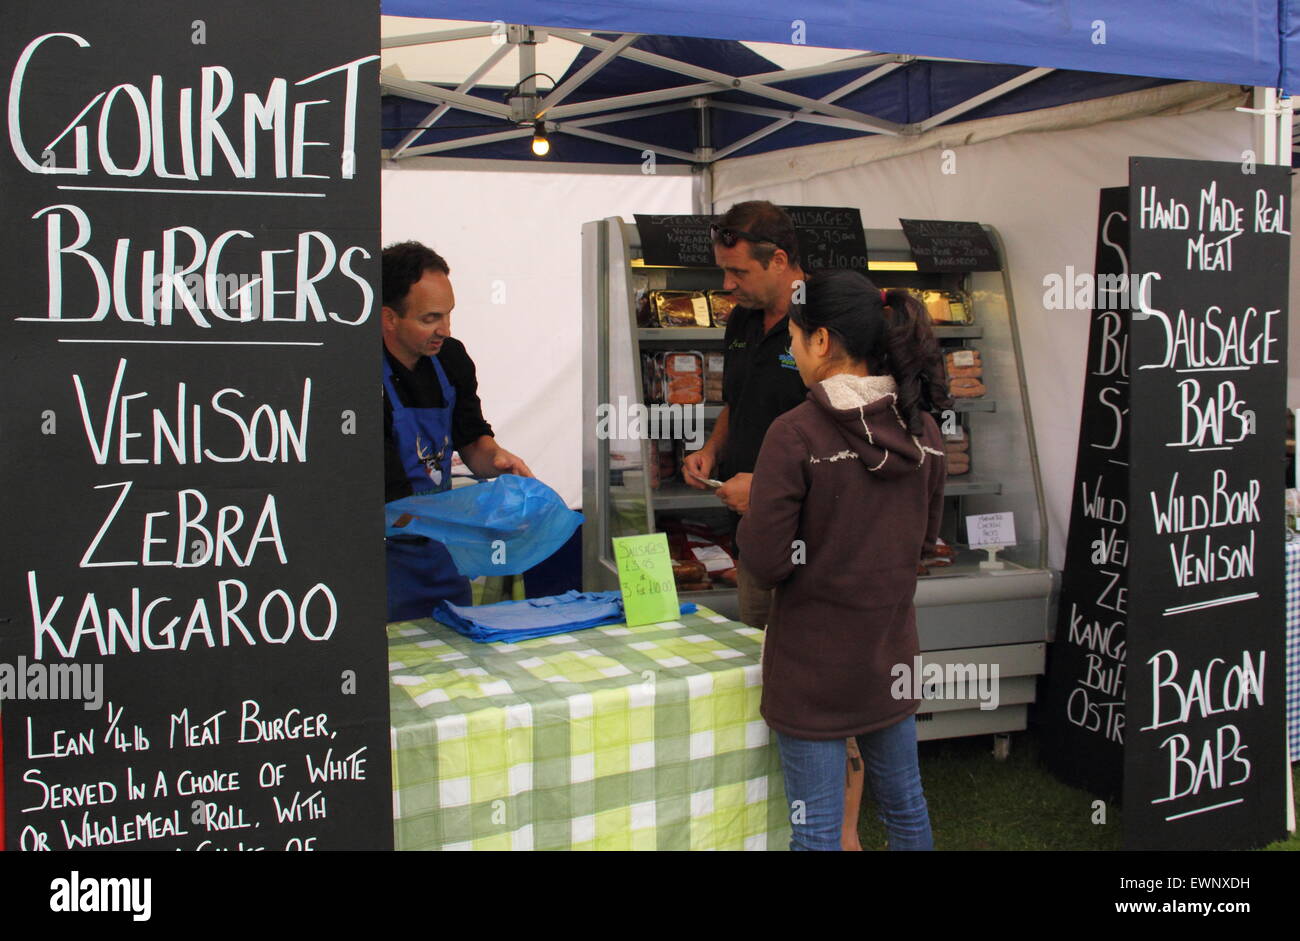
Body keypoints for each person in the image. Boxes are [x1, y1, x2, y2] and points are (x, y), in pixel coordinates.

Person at [736, 269, 950, 851]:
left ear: (823, 341)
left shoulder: (795, 433)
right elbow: (924, 544)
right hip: (889, 658)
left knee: (816, 832)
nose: (791, 349)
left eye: (796, 337)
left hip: (812, 671)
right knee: (907, 807)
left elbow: (766, 561)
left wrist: (753, 505)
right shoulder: (923, 428)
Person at [382, 241, 532, 621]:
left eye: (448, 315)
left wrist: (497, 460)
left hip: (441, 551)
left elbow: (471, 439)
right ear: (388, 318)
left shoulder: (450, 358)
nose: (444, 330)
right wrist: (471, 518)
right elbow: (390, 498)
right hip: (382, 558)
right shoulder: (353, 375)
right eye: (430, 318)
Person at [681, 201, 807, 631]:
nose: (727, 285)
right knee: (761, 659)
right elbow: (739, 402)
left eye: (739, 273)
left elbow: (847, 435)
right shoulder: (742, 321)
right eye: (723, 270)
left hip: (811, 536)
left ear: (779, 260)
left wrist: (769, 489)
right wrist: (712, 450)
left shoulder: (825, 320)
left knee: (804, 661)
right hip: (753, 534)